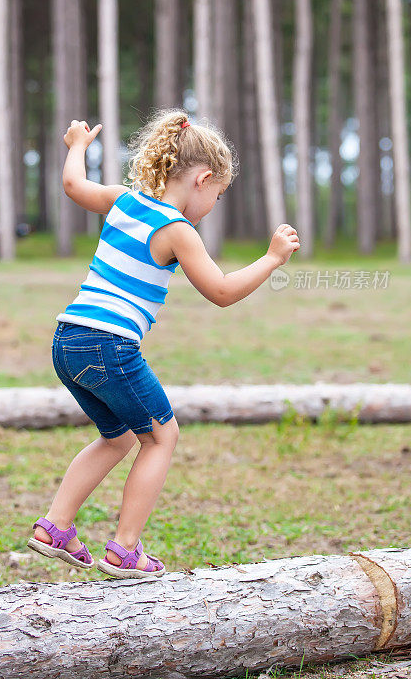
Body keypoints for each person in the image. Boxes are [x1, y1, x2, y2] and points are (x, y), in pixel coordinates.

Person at [27, 107, 300, 579]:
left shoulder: (123, 200)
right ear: (203, 179)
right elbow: (221, 292)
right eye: (218, 194)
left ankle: (56, 527)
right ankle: (126, 549)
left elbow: (74, 187)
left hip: (67, 340)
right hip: (108, 347)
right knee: (161, 437)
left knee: (116, 439)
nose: (213, 205)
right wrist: (272, 259)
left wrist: (76, 149)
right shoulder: (177, 231)